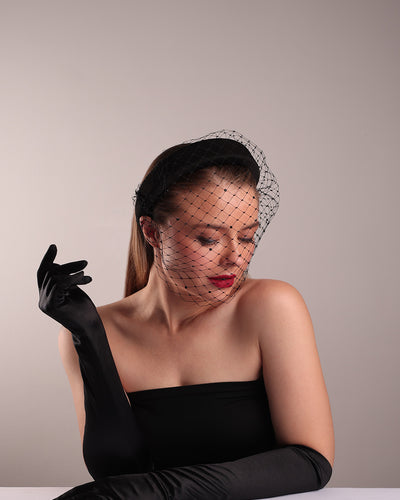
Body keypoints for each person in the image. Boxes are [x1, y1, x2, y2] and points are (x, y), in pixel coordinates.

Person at [37, 130, 334, 499]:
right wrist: (89, 336)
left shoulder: (271, 306)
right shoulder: (96, 330)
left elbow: (311, 462)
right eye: (209, 239)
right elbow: (116, 471)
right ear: (152, 231)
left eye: (246, 236)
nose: (234, 257)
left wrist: (163, 490)